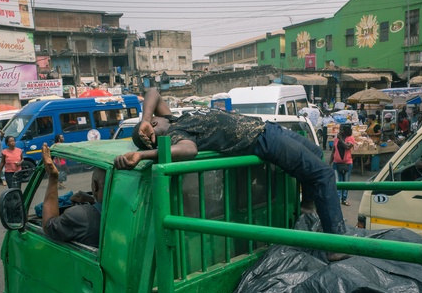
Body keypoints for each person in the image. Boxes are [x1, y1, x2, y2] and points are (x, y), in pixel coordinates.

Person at [114, 89, 346, 235]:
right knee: (324, 175)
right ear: (155, 130)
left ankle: (307, 206)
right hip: (263, 140)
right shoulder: (174, 135)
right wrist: (143, 155)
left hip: (267, 128)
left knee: (316, 152)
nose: (155, 116)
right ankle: (337, 244)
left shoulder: (172, 118)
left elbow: (153, 91)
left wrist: (144, 119)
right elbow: (189, 150)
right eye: (153, 119)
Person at [41, 144, 104, 247]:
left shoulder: (80, 215)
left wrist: (53, 178)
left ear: (95, 186)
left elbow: (49, 226)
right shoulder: (128, 211)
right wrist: (93, 201)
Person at [330, 124, 355, 206]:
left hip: (347, 163)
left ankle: (344, 199)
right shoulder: (336, 139)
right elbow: (333, 151)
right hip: (336, 163)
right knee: (337, 182)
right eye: (340, 129)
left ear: (346, 131)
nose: (340, 131)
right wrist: (329, 163)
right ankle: (337, 198)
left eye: (341, 129)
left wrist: (340, 139)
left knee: (346, 182)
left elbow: (347, 147)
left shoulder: (350, 138)